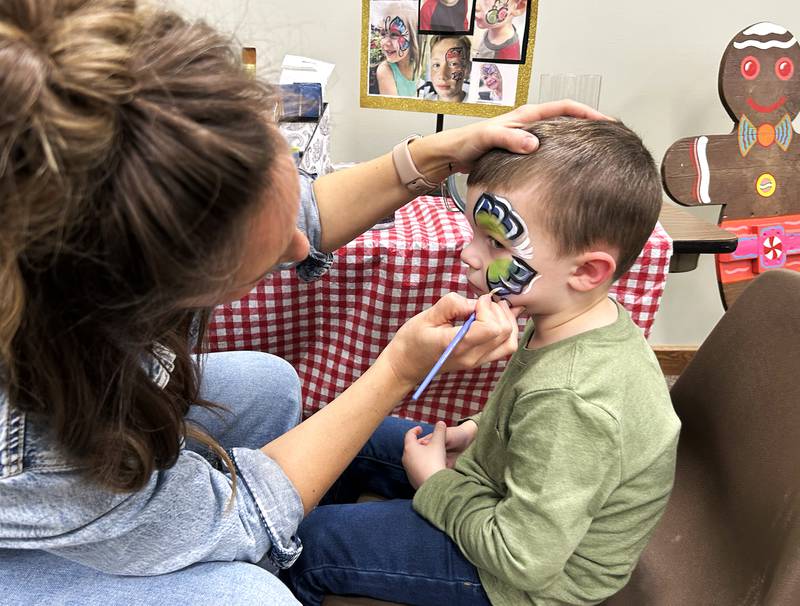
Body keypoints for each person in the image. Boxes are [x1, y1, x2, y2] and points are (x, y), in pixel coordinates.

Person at [0, 0, 608, 604]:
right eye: (265, 256)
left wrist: (436, 153)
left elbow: (302, 218)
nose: (299, 245)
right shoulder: (33, 442)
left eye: (496, 240)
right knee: (249, 597)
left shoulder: (98, 226)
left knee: (271, 385)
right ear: (140, 295)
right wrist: (398, 376)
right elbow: (232, 521)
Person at [282, 118, 682, 606]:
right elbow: (530, 427)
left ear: (587, 271)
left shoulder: (572, 399)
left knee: (310, 546)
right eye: (473, 232)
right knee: (351, 436)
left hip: (521, 581)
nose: (467, 254)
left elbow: (523, 557)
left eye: (495, 241)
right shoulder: (566, 315)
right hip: (498, 493)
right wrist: (474, 431)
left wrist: (435, 484)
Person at [375, 8, 422, 97]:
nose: (385, 42)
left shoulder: (417, 65)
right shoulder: (385, 70)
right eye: (383, 33)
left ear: (413, 38)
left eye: (395, 34)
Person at [419, 35, 471, 102]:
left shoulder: (479, 107)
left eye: (453, 64)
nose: (442, 76)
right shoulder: (422, 104)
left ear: (467, 69)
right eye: (437, 65)